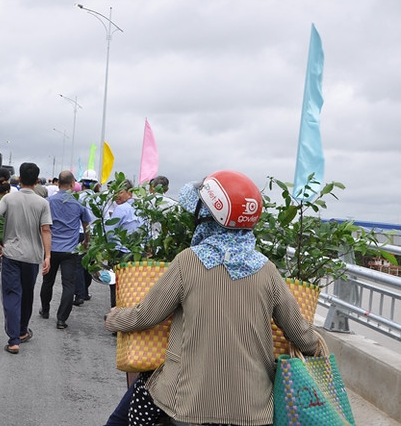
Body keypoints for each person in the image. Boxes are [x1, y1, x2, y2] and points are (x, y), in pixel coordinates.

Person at [103, 170, 320, 426]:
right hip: (252, 407)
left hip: (187, 401)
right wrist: (315, 349)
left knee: (121, 418)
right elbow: (301, 334)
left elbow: (145, 316)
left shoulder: (188, 262)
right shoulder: (267, 270)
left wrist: (113, 318)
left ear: (209, 216)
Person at [0, 162, 52, 355]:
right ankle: (23, 331)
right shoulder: (43, 203)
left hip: (12, 254)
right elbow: (46, 230)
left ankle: (14, 340)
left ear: (19, 179)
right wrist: (47, 256)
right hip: (32, 257)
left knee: (11, 295)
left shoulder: (9, 198)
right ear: (36, 180)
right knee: (27, 294)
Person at [39, 170, 91, 329]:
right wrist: (86, 243)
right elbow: (86, 226)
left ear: (58, 183)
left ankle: (45, 310)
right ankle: (61, 319)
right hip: (70, 250)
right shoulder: (78, 204)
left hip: (51, 248)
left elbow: (43, 226)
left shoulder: (48, 202)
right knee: (68, 284)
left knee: (48, 281)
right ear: (71, 185)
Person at [104, 178, 144, 308]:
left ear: (129, 193)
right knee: (134, 289)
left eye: (120, 192)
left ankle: (116, 320)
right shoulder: (141, 208)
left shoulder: (122, 209)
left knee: (117, 288)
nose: (116, 196)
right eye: (115, 192)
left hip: (120, 253)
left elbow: (109, 232)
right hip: (138, 254)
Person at [75, 169, 99, 305]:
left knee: (78, 265)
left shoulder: (77, 198)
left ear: (82, 183)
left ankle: (80, 294)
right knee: (89, 265)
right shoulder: (99, 200)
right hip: (95, 235)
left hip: (79, 233)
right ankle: (85, 291)